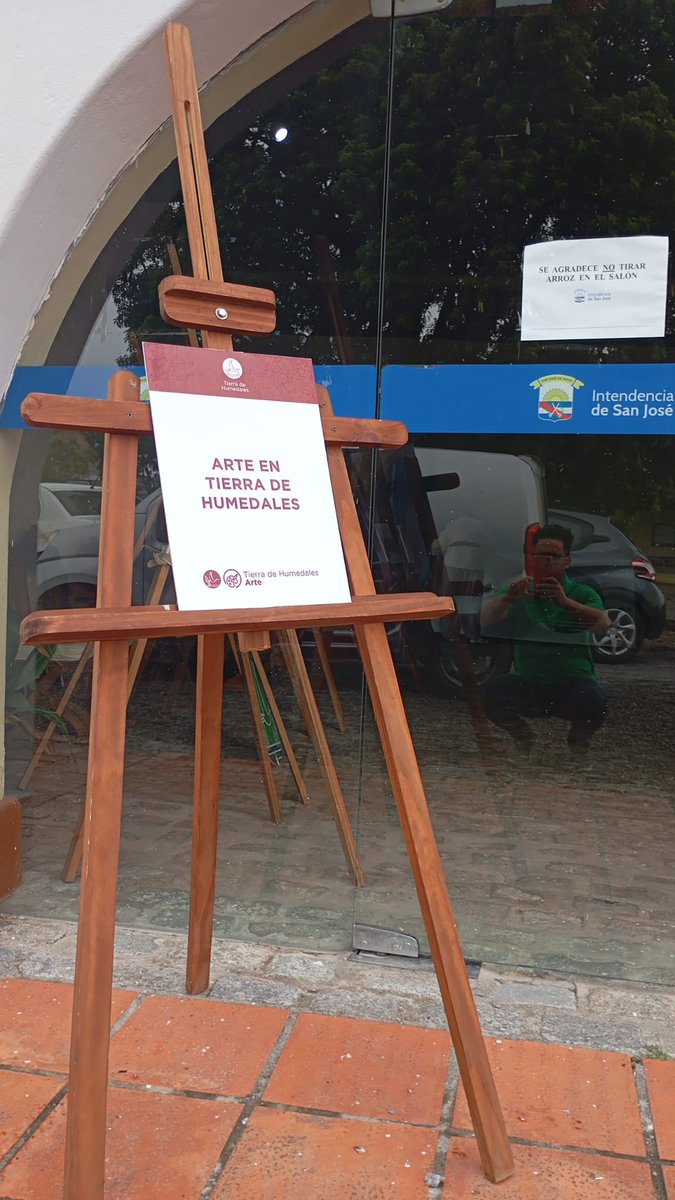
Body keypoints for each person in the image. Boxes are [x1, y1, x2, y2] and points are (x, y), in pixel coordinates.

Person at [480, 524, 612, 761]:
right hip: (529, 682)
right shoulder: (522, 590)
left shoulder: (582, 593)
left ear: (567, 560)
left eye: (553, 556)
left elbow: (603, 624)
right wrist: (508, 600)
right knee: (484, 694)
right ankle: (523, 736)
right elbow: (483, 619)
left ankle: (579, 742)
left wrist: (566, 603)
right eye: (539, 555)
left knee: (596, 702)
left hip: (572, 683)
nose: (546, 562)